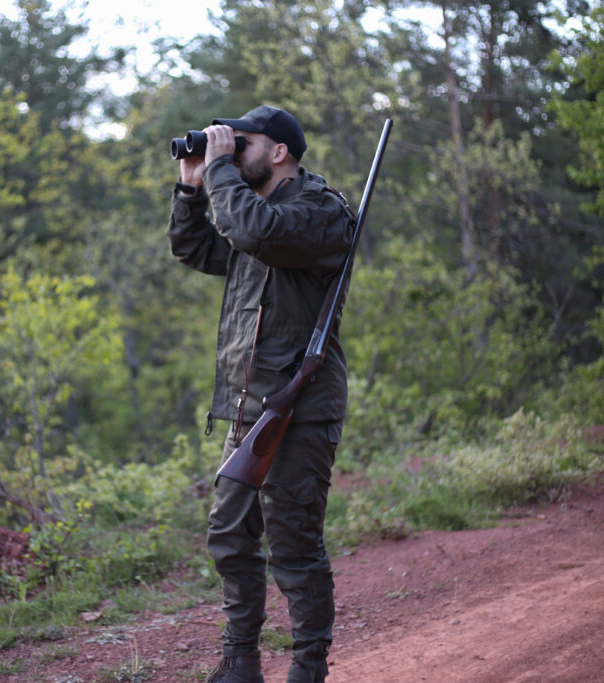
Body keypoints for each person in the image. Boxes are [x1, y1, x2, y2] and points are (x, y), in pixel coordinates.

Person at [167, 105, 354, 683]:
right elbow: (197, 251)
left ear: (279, 152)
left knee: (294, 549)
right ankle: (240, 664)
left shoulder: (319, 213)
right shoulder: (253, 210)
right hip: (251, 406)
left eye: (242, 143)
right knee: (230, 536)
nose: (230, 149)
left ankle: (306, 670)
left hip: (301, 406)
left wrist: (220, 170)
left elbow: (254, 231)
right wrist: (192, 189)